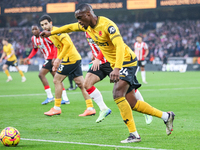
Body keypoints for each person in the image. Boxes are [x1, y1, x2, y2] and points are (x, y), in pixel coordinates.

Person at [40, 4, 175, 143]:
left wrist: (116, 68)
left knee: (117, 94)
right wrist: (51, 33)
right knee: (133, 103)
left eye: (80, 18)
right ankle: (166, 116)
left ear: (88, 14)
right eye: (77, 19)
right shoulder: (86, 26)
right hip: (113, 63)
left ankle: (134, 135)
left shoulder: (107, 25)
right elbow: (69, 27)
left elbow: (120, 46)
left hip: (126, 62)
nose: (78, 22)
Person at [85, 31, 152, 124]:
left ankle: (146, 111)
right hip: (99, 63)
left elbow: (107, 45)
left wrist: (97, 58)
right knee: (87, 84)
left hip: (110, 61)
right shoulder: (85, 29)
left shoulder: (98, 29)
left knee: (129, 87)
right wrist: (94, 55)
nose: (80, 23)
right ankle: (104, 109)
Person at [39, 14, 96, 116]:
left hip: (70, 59)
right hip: (75, 58)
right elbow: (60, 47)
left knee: (57, 80)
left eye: (46, 24)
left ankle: (56, 107)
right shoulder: (51, 34)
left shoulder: (57, 31)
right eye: (42, 25)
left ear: (51, 23)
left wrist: (58, 59)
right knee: (81, 84)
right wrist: (57, 58)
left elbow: (68, 45)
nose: (44, 26)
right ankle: (90, 107)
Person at [25, 25, 70, 105]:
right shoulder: (33, 39)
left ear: (39, 30)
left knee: (41, 75)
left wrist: (55, 57)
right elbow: (35, 49)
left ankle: (50, 96)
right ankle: (66, 99)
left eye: (36, 29)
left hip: (51, 58)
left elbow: (55, 45)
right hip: (47, 59)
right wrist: (29, 57)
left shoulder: (45, 36)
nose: (34, 31)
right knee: (57, 79)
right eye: (33, 29)